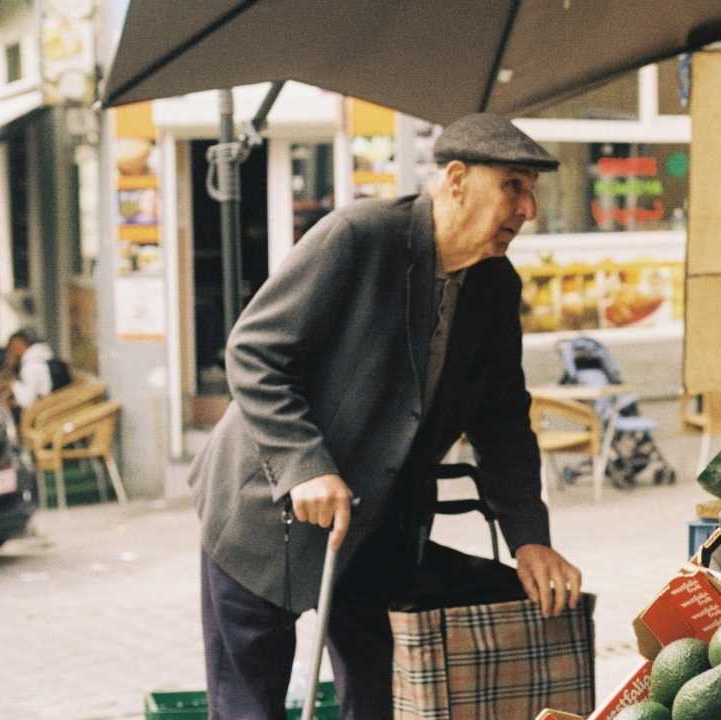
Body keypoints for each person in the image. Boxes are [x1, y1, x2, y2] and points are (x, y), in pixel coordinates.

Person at [188, 114, 582, 720]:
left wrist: (530, 537)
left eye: (531, 190)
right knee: (248, 706)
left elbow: (503, 421)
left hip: (375, 525)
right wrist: (304, 465)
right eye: (513, 185)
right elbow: (253, 352)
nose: (527, 208)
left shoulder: (496, 285)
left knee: (379, 699)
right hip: (262, 508)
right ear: (456, 179)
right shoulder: (360, 234)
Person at [2, 329, 72, 423]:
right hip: (50, 405)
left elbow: (26, 401)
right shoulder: (42, 357)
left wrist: (13, 384)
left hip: (43, 413)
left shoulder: (31, 366)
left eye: (11, 348)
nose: (10, 352)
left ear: (18, 345)